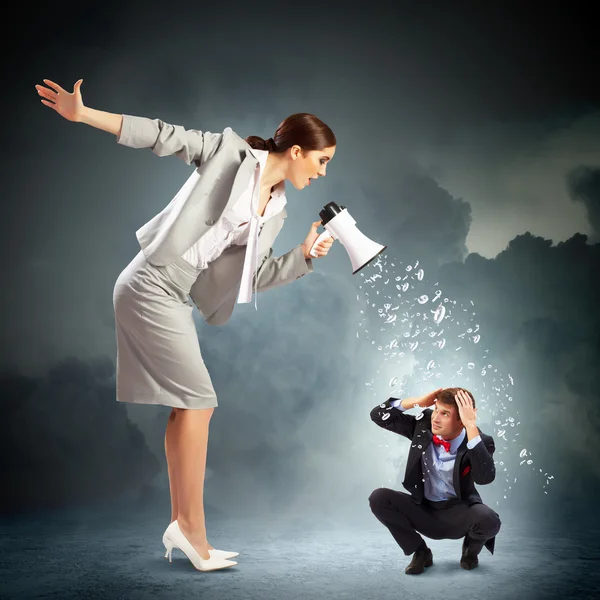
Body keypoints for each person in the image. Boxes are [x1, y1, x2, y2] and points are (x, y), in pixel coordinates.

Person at [35, 78, 336, 572]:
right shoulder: (228, 154)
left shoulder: (277, 210)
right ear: (298, 151)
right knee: (199, 402)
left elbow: (251, 275)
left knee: (189, 406)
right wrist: (84, 115)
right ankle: (191, 532)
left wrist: (303, 255)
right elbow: (161, 134)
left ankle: (185, 526)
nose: (323, 173)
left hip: (179, 297)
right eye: (322, 161)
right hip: (150, 282)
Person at [368, 387, 501, 574]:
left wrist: (471, 426)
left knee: (489, 520)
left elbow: (485, 478)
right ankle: (420, 552)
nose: (435, 418)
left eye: (444, 413)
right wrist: (417, 402)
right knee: (379, 498)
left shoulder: (481, 440)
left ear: (462, 420)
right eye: (436, 409)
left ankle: (470, 552)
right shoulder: (423, 425)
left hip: (459, 513)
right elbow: (378, 415)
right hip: (423, 509)